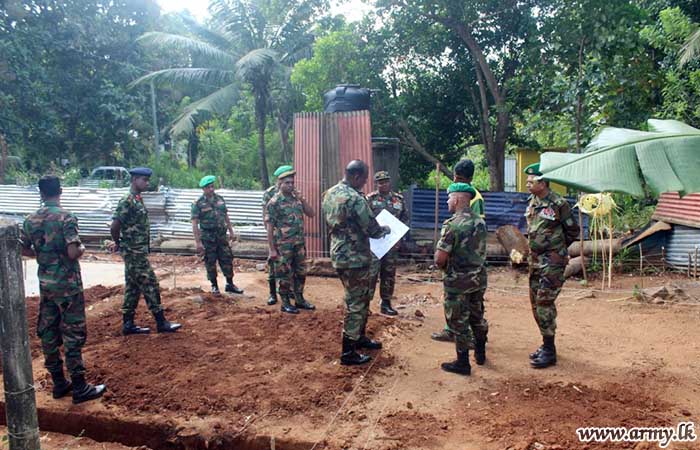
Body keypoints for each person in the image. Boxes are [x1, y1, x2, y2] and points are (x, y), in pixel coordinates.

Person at [20, 175, 106, 404]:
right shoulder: (66, 217)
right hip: (68, 286)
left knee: (48, 332)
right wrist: (83, 248)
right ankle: (79, 387)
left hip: (46, 286)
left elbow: (24, 249)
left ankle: (59, 383)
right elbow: (72, 252)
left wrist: (44, 256)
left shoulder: (30, 220)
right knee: (72, 334)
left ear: (41, 193)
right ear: (60, 191)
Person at [322, 160, 390, 365]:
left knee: (358, 298)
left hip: (339, 253)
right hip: (355, 258)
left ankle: (358, 338)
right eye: (365, 179)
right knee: (356, 302)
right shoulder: (355, 198)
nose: (365, 183)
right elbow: (371, 228)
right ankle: (348, 352)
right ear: (356, 176)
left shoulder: (329, 193)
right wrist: (385, 230)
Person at [110, 167, 181, 335]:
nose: (147, 183)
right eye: (144, 180)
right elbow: (115, 225)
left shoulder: (136, 198)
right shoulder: (127, 200)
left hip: (136, 251)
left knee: (133, 287)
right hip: (133, 252)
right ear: (134, 179)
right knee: (150, 283)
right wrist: (118, 242)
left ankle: (128, 325)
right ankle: (161, 322)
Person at [524, 163, 579, 368]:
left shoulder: (558, 203)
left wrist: (556, 250)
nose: (528, 183)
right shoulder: (532, 202)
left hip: (552, 262)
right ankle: (546, 343)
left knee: (545, 302)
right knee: (535, 303)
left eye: (532, 180)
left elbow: (573, 231)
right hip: (535, 261)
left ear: (543, 182)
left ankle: (549, 350)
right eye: (528, 180)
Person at [434, 182, 489, 375]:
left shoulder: (452, 225)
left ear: (457, 199)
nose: (448, 201)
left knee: (458, 321)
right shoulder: (480, 222)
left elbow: (440, 258)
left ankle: (462, 363)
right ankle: (481, 353)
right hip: (478, 279)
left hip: (458, 282)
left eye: (449, 198)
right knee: (477, 315)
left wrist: (440, 264)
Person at [432, 158, 487, 343]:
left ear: (456, 176)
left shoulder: (471, 200)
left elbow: (470, 237)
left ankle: (463, 338)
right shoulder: (475, 195)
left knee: (462, 305)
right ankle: (456, 332)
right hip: (475, 270)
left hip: (461, 267)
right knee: (470, 306)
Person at [265, 166, 316, 313]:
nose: (290, 185)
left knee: (301, 272)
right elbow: (269, 227)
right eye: (287, 183)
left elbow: (311, 214)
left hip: (299, 243)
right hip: (283, 246)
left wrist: (303, 199)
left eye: (292, 182)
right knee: (284, 274)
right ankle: (285, 302)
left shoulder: (297, 199)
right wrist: (272, 249)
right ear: (280, 184)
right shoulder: (274, 202)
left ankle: (299, 299)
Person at [191, 175, 244, 295]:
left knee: (227, 259)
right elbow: (194, 224)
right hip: (208, 238)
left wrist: (231, 231)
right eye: (208, 187)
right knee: (210, 261)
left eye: (212, 187)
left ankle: (230, 284)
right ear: (203, 189)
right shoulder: (198, 203)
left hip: (221, 236)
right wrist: (198, 242)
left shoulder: (220, 199)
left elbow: (226, 216)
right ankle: (214, 286)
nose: (211, 189)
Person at [366, 171, 409, 316]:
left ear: (389, 182)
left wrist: (399, 238)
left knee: (388, 273)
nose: (383, 184)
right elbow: (364, 219)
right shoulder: (370, 199)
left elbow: (404, 219)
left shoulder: (399, 199)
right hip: (374, 245)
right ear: (375, 184)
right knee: (371, 274)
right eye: (380, 182)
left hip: (391, 244)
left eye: (385, 181)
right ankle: (365, 305)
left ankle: (386, 303)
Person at [261, 167, 284, 305]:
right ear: (278, 179)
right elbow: (265, 214)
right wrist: (269, 233)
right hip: (275, 234)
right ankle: (272, 294)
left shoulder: (292, 192)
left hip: (289, 236)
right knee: (273, 264)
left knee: (288, 265)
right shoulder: (270, 193)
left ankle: (288, 291)